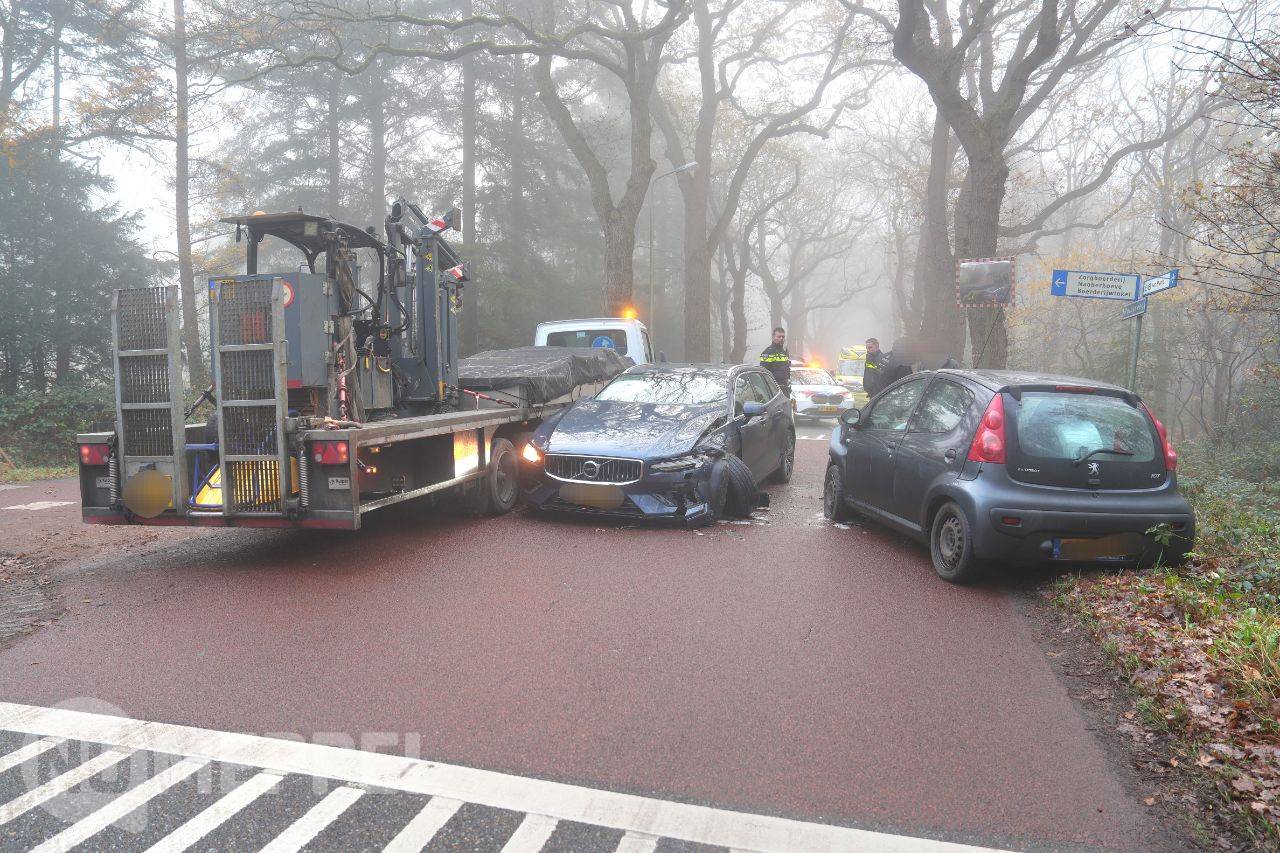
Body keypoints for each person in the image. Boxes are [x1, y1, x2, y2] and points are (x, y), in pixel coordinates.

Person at [759, 327, 792, 395]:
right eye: (779, 336)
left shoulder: (784, 352)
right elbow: (763, 372)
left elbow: (787, 370)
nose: (781, 339)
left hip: (785, 388)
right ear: (773, 337)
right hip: (773, 390)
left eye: (783, 337)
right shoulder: (768, 352)